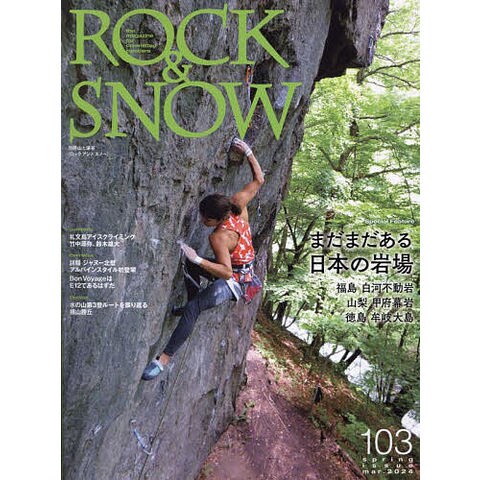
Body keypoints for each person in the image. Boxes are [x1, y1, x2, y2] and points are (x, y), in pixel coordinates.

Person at [142, 138, 264, 381]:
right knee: (189, 266)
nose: (201, 221)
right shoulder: (238, 204)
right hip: (243, 267)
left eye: (205, 219)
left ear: (216, 220)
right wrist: (248, 151)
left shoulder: (219, 238)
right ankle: (190, 304)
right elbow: (259, 179)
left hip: (237, 280)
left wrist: (198, 258)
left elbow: (226, 273)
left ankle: (162, 360)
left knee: (195, 307)